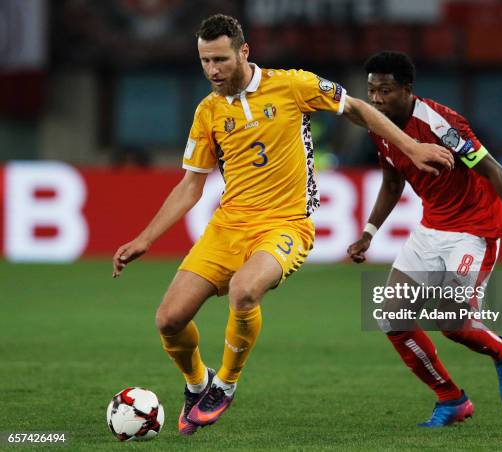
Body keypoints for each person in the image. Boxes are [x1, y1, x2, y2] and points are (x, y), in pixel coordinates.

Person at [112, 15, 454, 436]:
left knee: (245, 290)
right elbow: (190, 186)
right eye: (204, 61)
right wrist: (144, 238)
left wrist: (410, 145)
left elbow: (358, 109)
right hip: (228, 227)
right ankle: (197, 384)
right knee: (168, 320)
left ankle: (226, 384)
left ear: (244, 52)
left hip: (286, 225)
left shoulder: (293, 85)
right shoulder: (208, 111)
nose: (212, 70)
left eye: (220, 59)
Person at [347, 51, 502, 427]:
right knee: (393, 317)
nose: (376, 99)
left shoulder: (441, 124)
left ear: (407, 89)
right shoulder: (379, 125)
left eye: (385, 91)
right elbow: (392, 181)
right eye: (371, 91)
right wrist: (368, 233)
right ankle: (451, 399)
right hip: (430, 230)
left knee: (450, 320)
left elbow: (494, 169)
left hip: (472, 232)